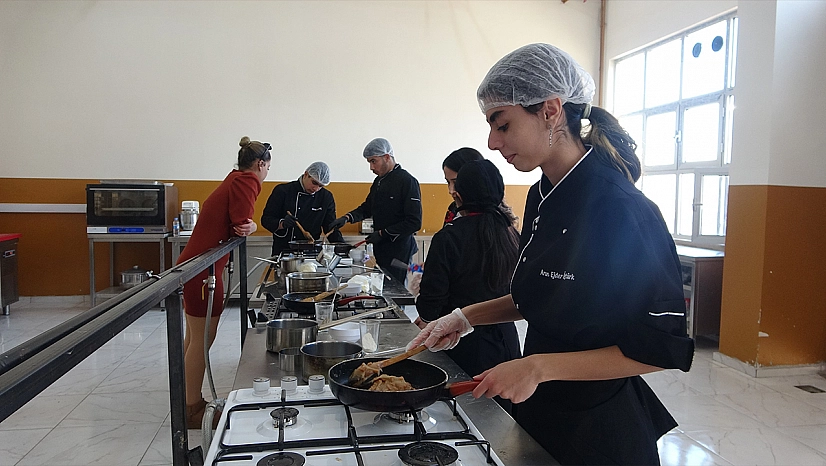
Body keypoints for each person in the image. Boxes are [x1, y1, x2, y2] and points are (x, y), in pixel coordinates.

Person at [408, 43, 694, 465]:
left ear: (550, 110)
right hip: (541, 410)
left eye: (501, 124)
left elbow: (658, 351)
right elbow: (542, 295)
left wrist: (538, 367)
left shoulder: (621, 209)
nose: (491, 142)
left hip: (600, 430)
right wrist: (464, 317)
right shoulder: (541, 196)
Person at [177, 136, 270, 429]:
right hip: (203, 272)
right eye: (267, 168)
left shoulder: (233, 177)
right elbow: (242, 223)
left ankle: (184, 398)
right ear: (260, 164)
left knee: (194, 339)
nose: (266, 174)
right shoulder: (247, 180)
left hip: (195, 267)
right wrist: (252, 226)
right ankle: (192, 409)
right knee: (202, 340)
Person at [415, 159, 522, 413]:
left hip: (463, 347)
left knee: (467, 419)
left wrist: (420, 292)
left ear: (458, 195)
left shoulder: (449, 237)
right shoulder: (512, 232)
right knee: (503, 419)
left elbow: (430, 309)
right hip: (507, 343)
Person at [329, 138, 422, 283]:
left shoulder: (408, 181)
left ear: (386, 157)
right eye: (369, 162)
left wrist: (382, 233)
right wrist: (347, 218)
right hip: (381, 248)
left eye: (373, 161)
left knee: (396, 292)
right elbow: (367, 208)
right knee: (382, 288)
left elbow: (414, 222)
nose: (371, 167)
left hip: (399, 251)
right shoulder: (379, 182)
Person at [260, 161, 344, 256]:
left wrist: (343, 247)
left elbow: (330, 228)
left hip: (312, 252)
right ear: (306, 174)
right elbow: (266, 220)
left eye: (321, 186)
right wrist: (282, 224)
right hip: (283, 250)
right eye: (314, 183)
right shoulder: (283, 191)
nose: (316, 189)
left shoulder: (326, 197)